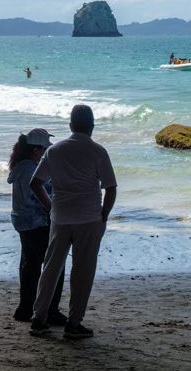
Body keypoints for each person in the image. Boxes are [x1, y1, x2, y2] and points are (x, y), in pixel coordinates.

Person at [29, 104, 117, 340]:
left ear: (70, 126)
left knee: (51, 268)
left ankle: (39, 319)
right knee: (82, 272)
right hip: (89, 219)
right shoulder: (98, 151)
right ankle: (73, 323)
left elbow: (35, 183)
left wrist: (51, 207)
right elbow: (110, 188)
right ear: (92, 126)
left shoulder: (54, 150)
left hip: (60, 218)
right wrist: (103, 215)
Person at [7, 128, 66, 326]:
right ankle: (50, 310)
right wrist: (54, 207)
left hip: (24, 222)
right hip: (37, 222)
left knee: (30, 265)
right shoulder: (29, 169)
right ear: (36, 150)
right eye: (44, 149)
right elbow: (35, 196)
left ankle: (25, 308)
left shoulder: (22, 167)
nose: (46, 153)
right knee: (55, 265)